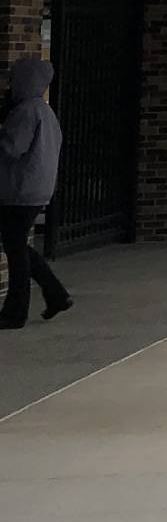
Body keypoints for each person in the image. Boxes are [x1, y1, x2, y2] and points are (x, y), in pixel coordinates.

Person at [1, 57, 69, 329]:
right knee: (18, 244)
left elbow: (11, 148)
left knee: (15, 249)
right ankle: (56, 294)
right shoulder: (44, 111)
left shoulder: (26, 112)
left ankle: (16, 312)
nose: (9, 84)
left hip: (20, 190)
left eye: (13, 79)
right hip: (36, 189)